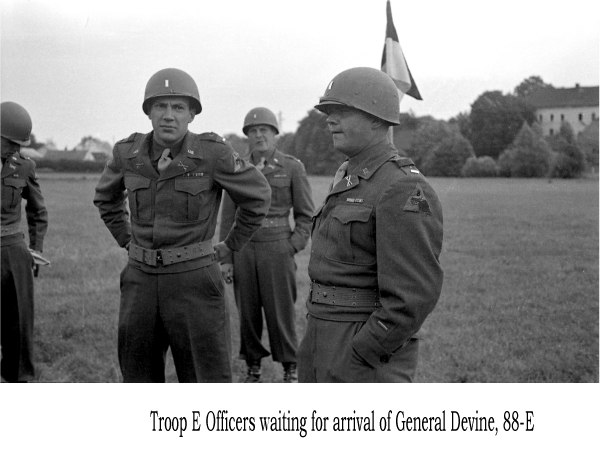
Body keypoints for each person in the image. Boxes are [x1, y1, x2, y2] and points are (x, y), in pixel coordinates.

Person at [93, 68, 271, 383]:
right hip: (140, 282)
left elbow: (257, 197)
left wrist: (231, 245)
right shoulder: (127, 153)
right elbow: (106, 198)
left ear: (191, 114)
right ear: (148, 112)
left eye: (178, 108)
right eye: (160, 106)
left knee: (205, 379)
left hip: (194, 281)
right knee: (138, 377)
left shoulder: (212, 153)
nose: (168, 116)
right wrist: (126, 241)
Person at [297, 67, 444, 383]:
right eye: (329, 112)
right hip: (322, 336)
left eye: (343, 111)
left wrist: (362, 352)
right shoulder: (349, 178)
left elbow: (412, 295)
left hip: (361, 350)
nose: (330, 120)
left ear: (378, 119)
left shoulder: (400, 186)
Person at [219, 107, 314, 383]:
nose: (258, 135)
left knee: (281, 310)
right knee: (247, 312)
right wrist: (226, 257)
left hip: (278, 247)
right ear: (247, 136)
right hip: (244, 248)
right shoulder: (237, 168)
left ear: (275, 134)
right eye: (253, 131)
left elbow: (306, 214)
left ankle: (290, 367)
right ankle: (252, 367)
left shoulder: (292, 167)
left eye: (264, 130)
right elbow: (228, 217)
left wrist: (292, 245)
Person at [1, 101, 49, 383]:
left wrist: (36, 248)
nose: (16, 150)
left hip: (13, 253)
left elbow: (38, 210)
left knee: (19, 327)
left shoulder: (24, 167)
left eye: (20, 145)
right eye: (10, 143)